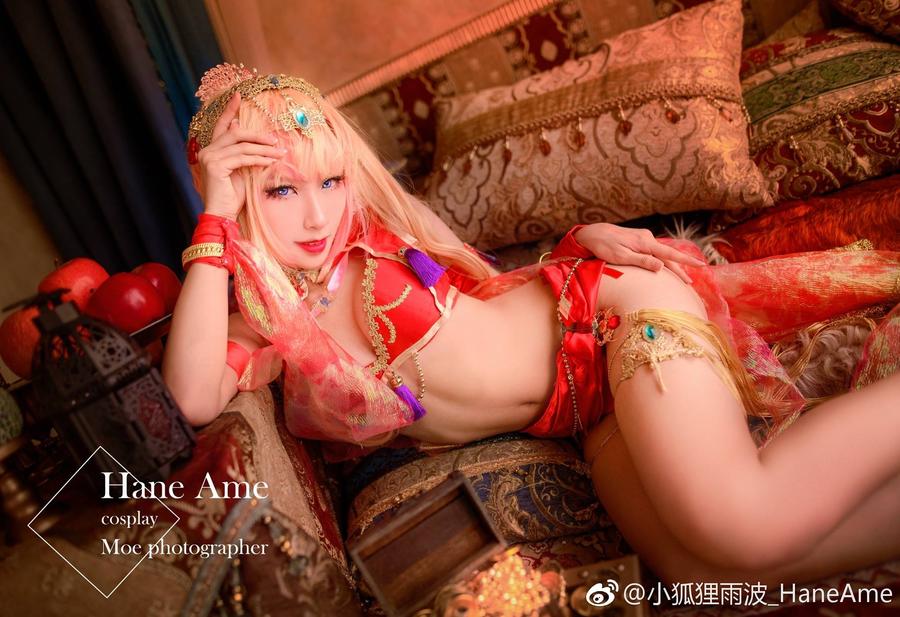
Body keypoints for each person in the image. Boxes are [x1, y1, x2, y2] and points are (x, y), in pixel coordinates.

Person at [163, 64, 900, 589]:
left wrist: (581, 241)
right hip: (581, 410)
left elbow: (488, 284)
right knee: (700, 577)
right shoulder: (267, 328)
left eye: (330, 181)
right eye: (281, 191)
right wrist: (215, 216)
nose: (317, 214)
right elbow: (193, 396)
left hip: (608, 314)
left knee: (742, 522)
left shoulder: (373, 240)